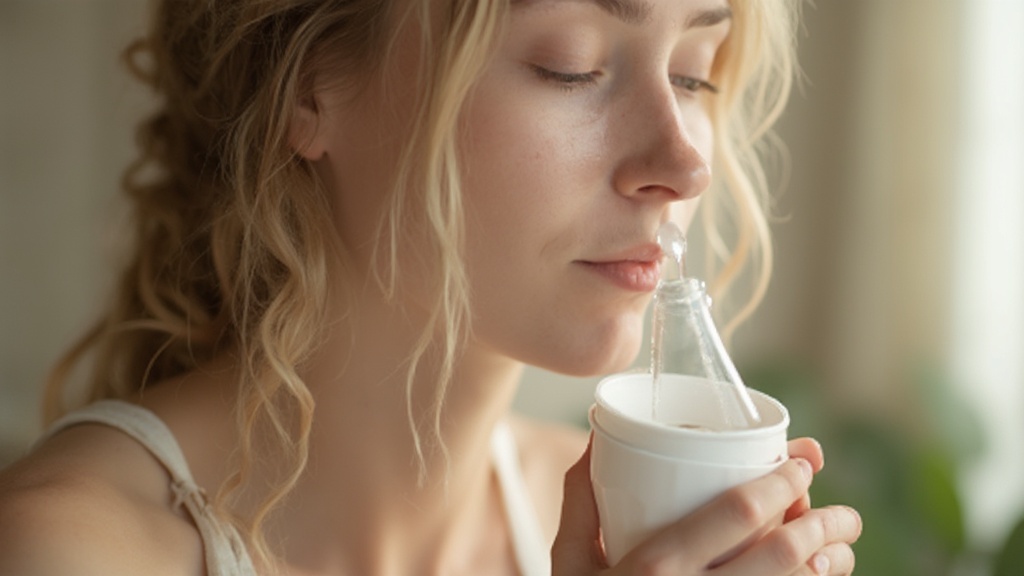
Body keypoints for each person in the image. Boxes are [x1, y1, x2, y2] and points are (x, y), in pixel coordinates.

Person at [0, 0, 862, 574]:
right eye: (572, 65)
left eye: (693, 73)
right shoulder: (68, 549)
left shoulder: (620, 527)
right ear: (310, 89)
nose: (684, 166)